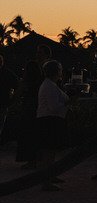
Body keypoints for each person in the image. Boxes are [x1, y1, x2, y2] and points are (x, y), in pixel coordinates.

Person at [36, 61, 69, 191]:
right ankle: (46, 181)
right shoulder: (49, 86)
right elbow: (53, 107)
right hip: (49, 121)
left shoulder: (51, 85)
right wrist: (69, 103)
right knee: (48, 152)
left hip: (50, 120)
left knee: (51, 151)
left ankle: (50, 175)